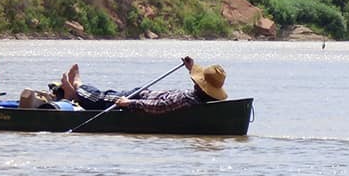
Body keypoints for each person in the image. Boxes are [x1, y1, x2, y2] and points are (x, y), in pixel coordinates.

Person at [56, 56, 227, 114]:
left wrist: (129, 103)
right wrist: (191, 67)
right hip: (143, 93)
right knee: (108, 94)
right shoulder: (199, 96)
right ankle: (76, 88)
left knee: (101, 98)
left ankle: (76, 89)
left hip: (137, 99)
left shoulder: (188, 100)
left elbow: (158, 107)